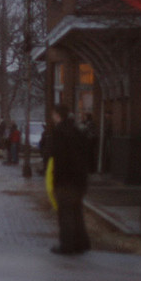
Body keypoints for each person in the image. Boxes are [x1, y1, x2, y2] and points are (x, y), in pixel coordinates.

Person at [49, 104, 92, 255]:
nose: (52, 117)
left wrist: (56, 179)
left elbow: (59, 159)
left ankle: (67, 244)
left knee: (65, 212)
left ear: (57, 115)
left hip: (65, 179)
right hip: (79, 179)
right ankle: (81, 243)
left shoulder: (59, 132)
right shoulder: (77, 131)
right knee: (76, 211)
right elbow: (88, 153)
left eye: (53, 114)